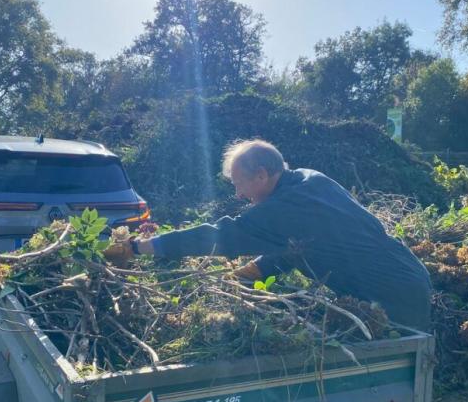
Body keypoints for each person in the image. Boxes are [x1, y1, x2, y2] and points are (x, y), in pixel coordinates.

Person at [105, 139, 432, 331]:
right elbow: (299, 245)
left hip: (394, 292)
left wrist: (137, 246)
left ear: (261, 175)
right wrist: (253, 272)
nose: (238, 194)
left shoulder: (285, 205)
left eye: (239, 185)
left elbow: (221, 236)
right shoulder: (308, 180)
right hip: (404, 276)